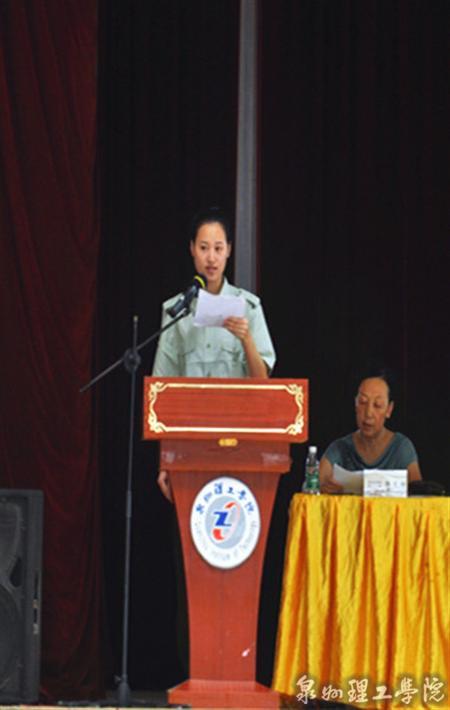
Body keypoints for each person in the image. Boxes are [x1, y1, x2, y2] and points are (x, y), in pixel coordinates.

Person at [152, 206, 276, 500]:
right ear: (192, 250)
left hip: (240, 442)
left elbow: (263, 383)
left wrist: (246, 339)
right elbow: (162, 392)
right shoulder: (175, 312)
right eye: (204, 248)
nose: (211, 258)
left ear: (229, 251)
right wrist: (165, 460)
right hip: (189, 445)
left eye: (218, 248)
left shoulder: (249, 307)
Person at [319, 372, 422, 493]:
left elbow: (419, 495)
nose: (368, 413)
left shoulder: (401, 448)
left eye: (377, 405)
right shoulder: (340, 448)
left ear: (389, 409)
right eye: (363, 402)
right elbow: (311, 488)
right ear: (355, 404)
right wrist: (325, 489)